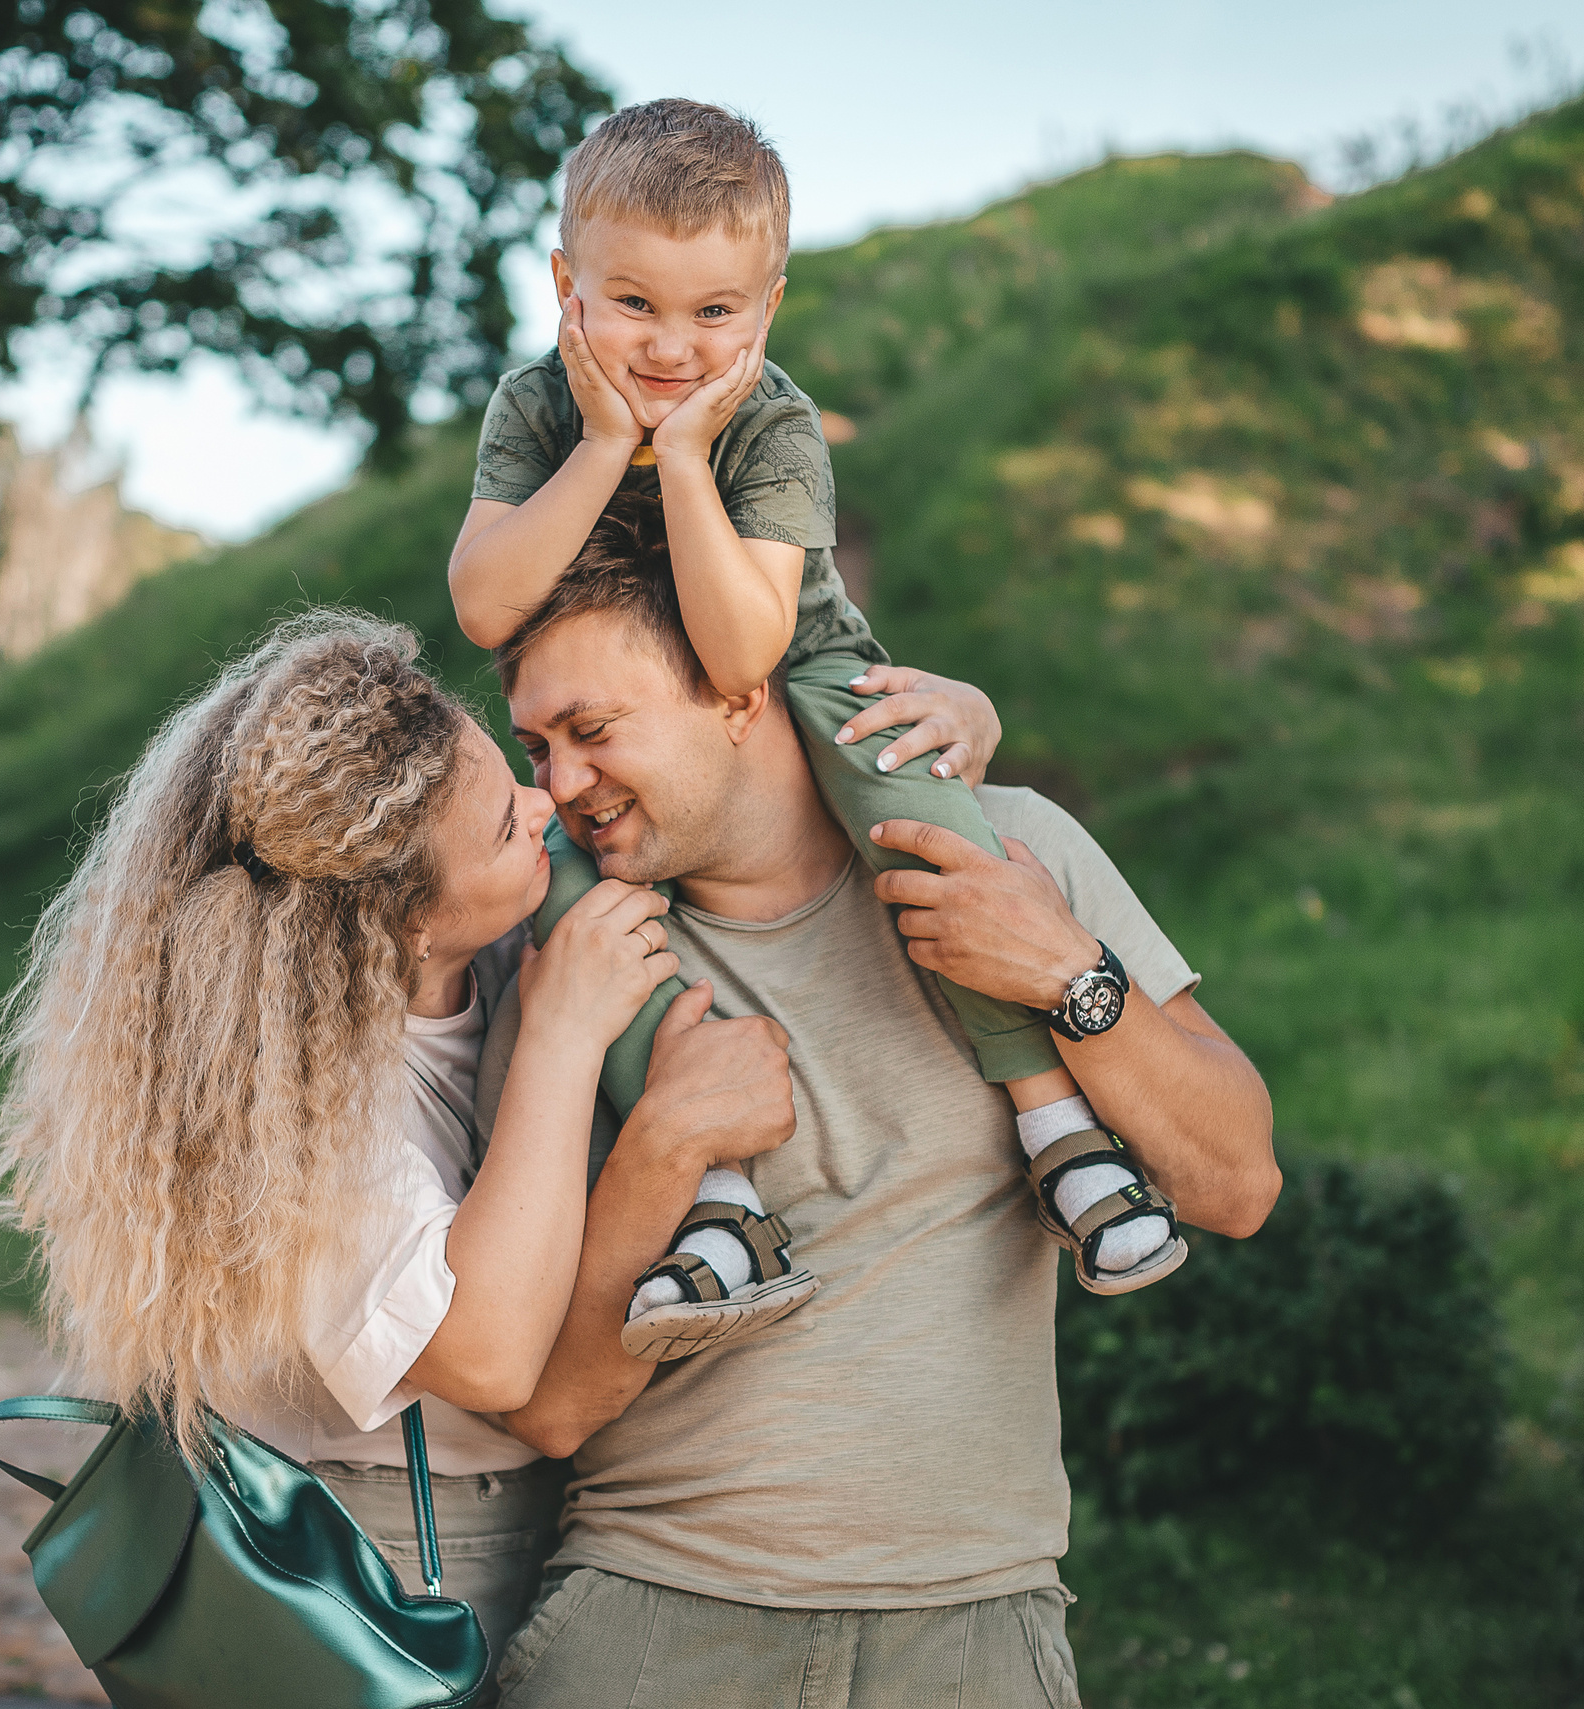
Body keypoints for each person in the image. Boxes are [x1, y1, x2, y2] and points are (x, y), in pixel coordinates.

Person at [472, 518, 1282, 1707]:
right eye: (537, 747)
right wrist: (667, 1139)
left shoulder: (1013, 849)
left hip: (974, 1631)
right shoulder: (577, 970)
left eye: (592, 731)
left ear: (740, 692)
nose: (560, 786)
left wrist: (1069, 973)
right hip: (657, 1620)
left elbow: (1236, 1181)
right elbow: (544, 1405)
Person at [450, 100, 1184, 1360]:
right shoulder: (536, 411)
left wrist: (681, 459)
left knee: (919, 809)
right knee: (569, 904)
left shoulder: (772, 427)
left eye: (713, 314)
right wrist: (608, 444)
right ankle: (722, 1200)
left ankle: (1054, 1121)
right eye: (630, 305)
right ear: (565, 287)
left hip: (805, 670)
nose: (672, 347)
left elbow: (749, 649)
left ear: (767, 307)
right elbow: (481, 601)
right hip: (621, 693)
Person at [0, 612, 687, 1675]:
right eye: (504, 825)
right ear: (404, 923)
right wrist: (566, 1030)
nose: (547, 808)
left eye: (513, 776)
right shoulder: (285, 1096)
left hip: (512, 1517)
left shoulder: (479, 946)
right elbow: (488, 1353)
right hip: (387, 1551)